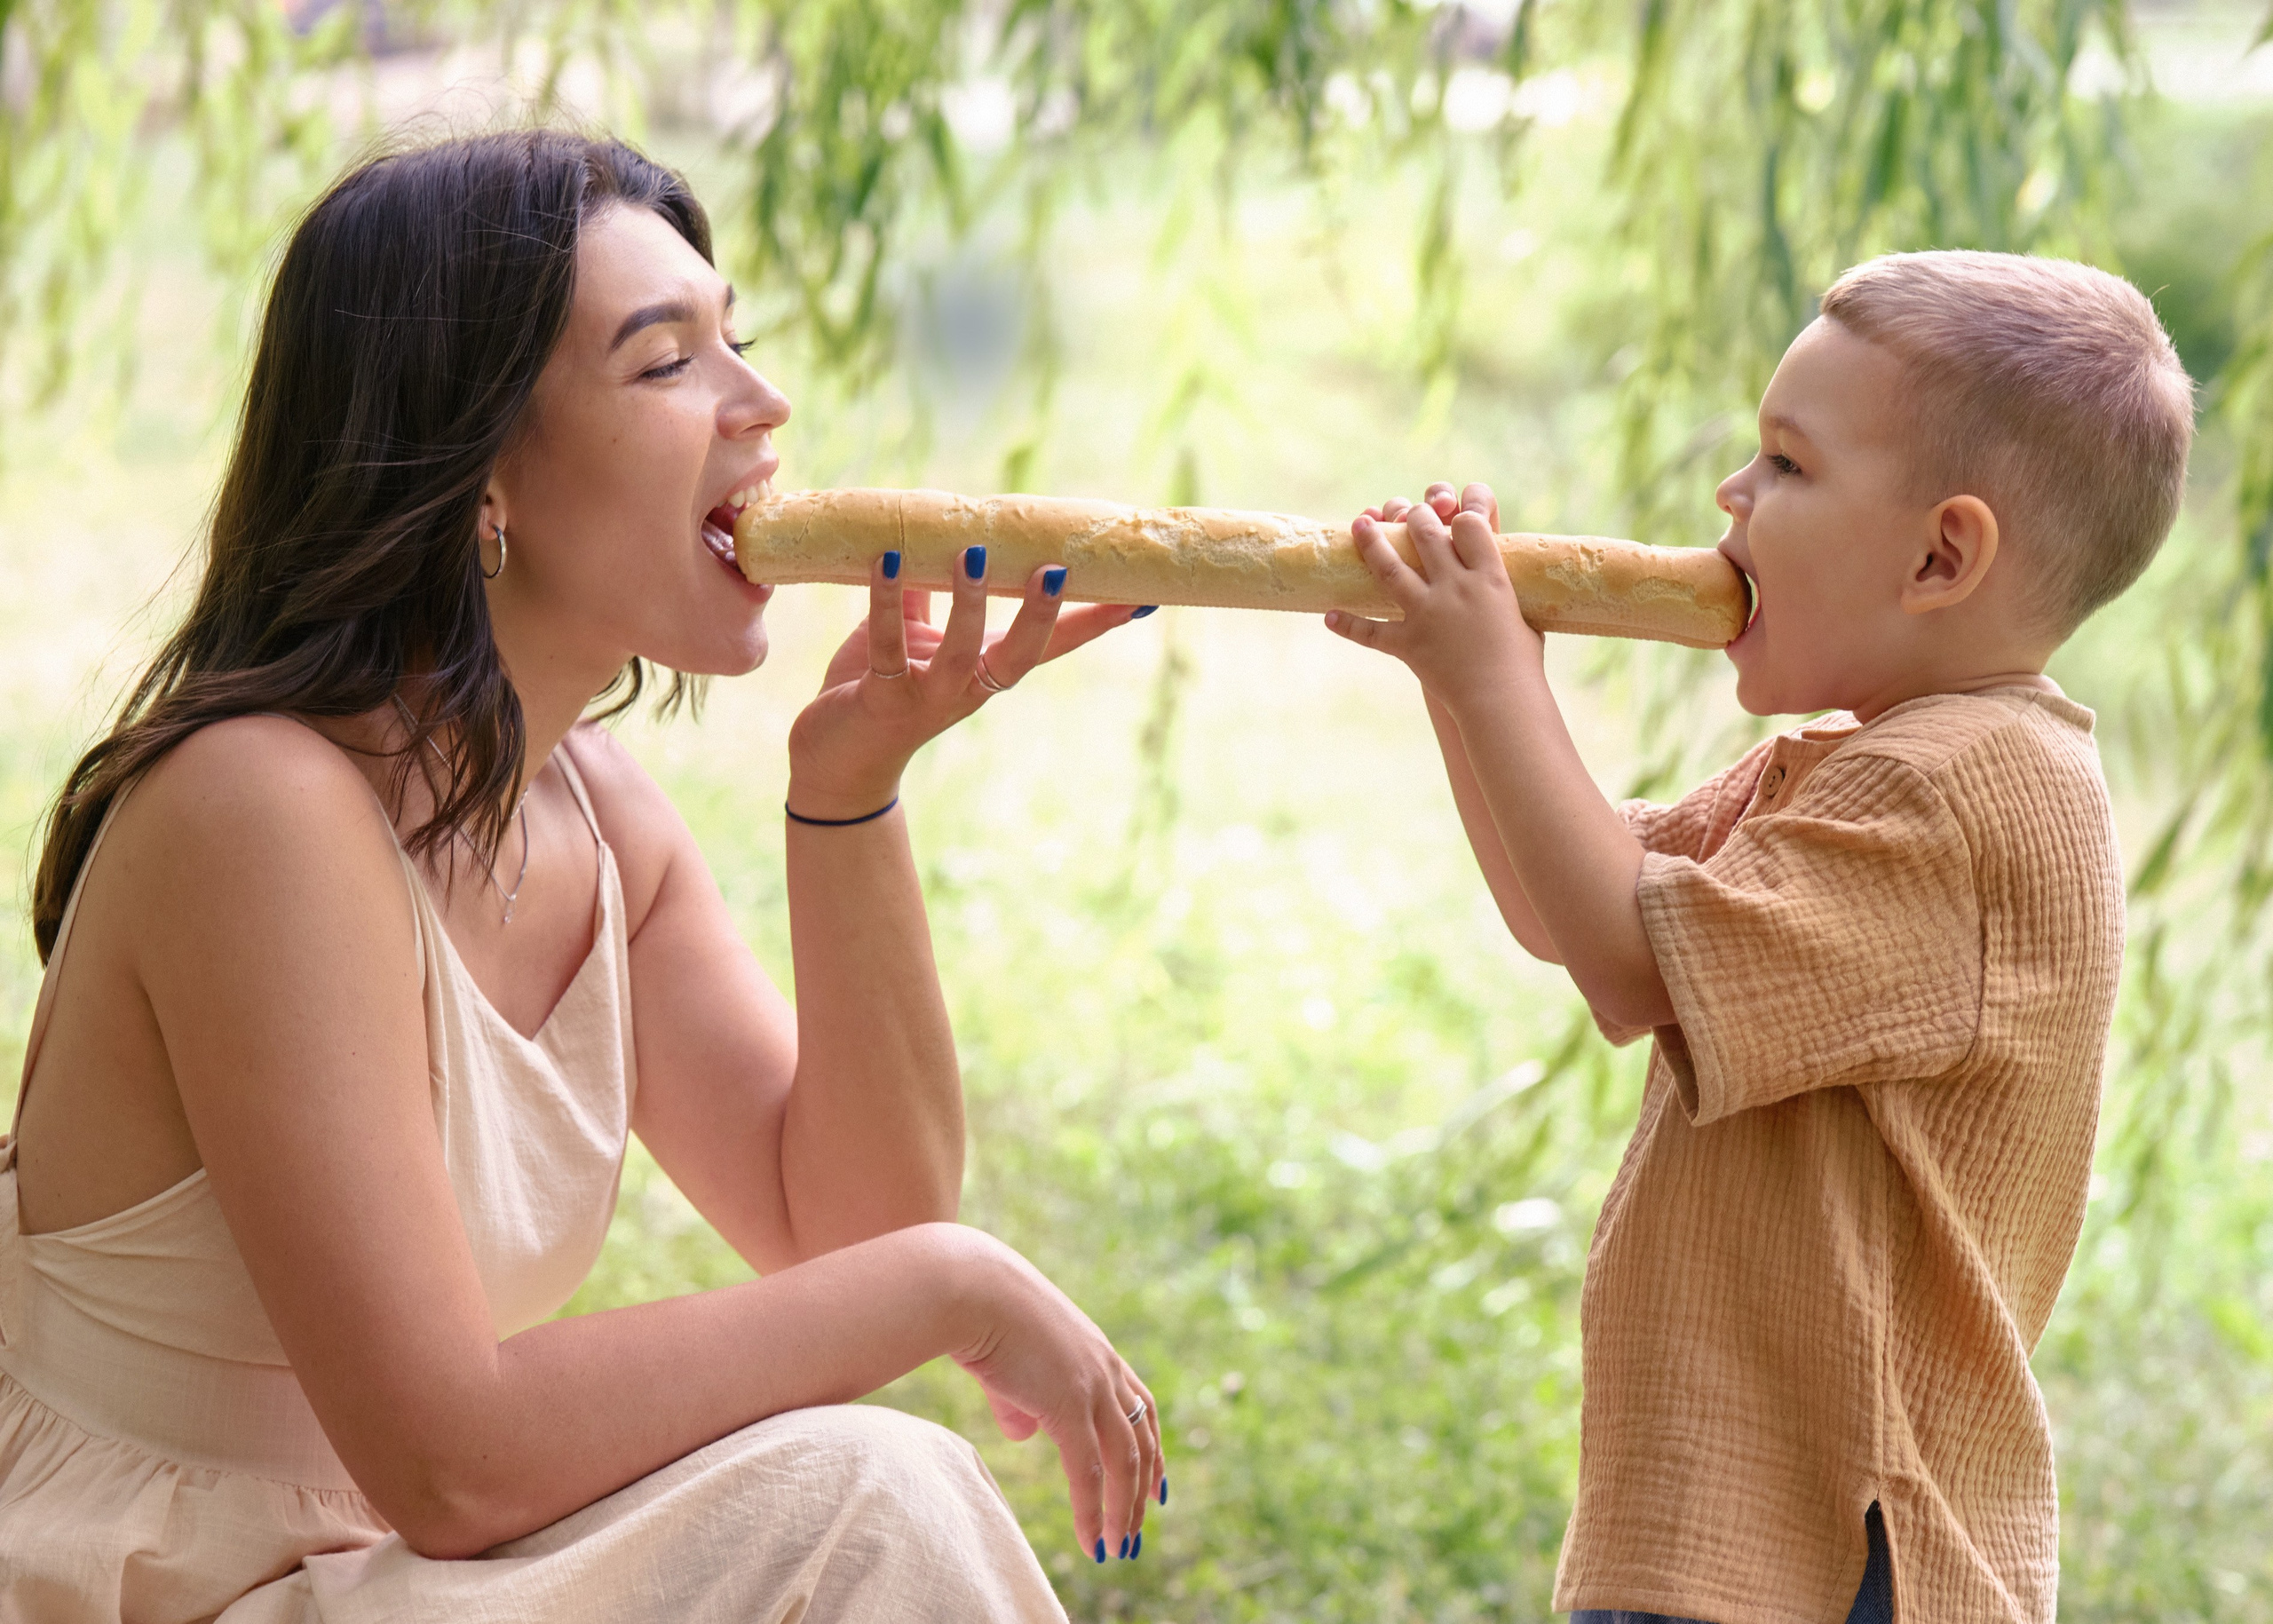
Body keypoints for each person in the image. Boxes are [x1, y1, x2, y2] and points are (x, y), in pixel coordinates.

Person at [0, 130, 1166, 1623]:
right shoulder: (260, 810)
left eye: (736, 338)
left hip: (396, 1569)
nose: (764, 402)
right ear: (480, 468)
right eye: (666, 361)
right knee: (880, 1493)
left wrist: (851, 792)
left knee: (878, 1489)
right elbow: (455, 1458)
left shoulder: (598, 819)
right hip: (165, 1587)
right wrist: (957, 1285)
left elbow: (848, 1227)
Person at [1326, 251, 2193, 1623]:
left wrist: (1495, 676)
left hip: (1840, 1545)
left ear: (1940, 554)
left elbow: (1626, 963)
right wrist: (1464, 683)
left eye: (1787, 466)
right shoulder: (1865, 762)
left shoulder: (1963, 790)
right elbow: (1571, 913)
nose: (1731, 494)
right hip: (1734, 1529)